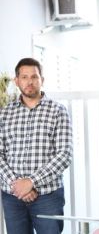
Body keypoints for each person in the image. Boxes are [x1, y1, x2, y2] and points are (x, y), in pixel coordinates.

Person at [0, 57, 73, 234]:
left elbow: (64, 154)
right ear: (17, 81)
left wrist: (31, 182)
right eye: (24, 77)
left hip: (47, 196)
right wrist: (17, 185)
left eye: (34, 77)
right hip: (12, 197)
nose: (29, 82)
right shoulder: (5, 113)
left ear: (42, 80)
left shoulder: (58, 110)